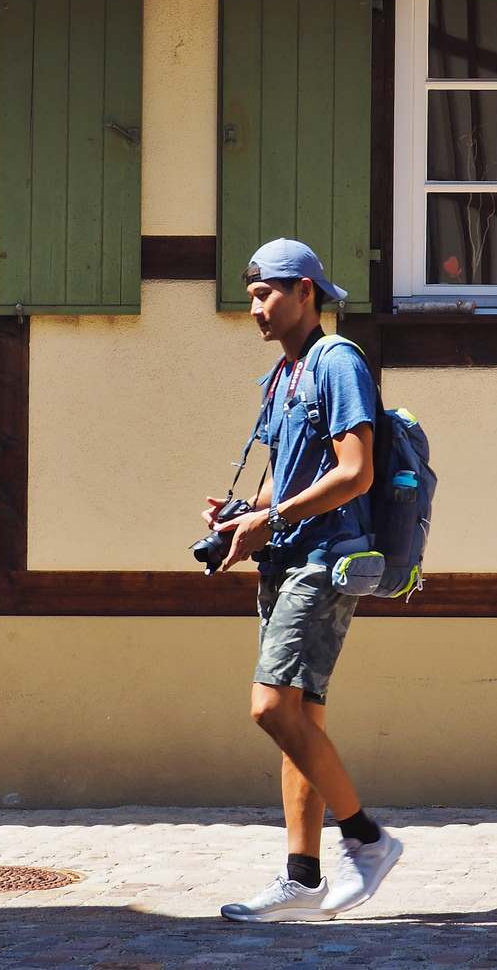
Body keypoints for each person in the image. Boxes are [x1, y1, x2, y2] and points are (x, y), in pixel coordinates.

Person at [206, 239, 403, 923]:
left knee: (269, 709)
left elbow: (357, 472)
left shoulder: (337, 361)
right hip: (287, 558)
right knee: (298, 718)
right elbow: (288, 484)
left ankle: (367, 840)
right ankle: (303, 879)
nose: (255, 306)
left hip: (324, 560)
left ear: (308, 293)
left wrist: (276, 516)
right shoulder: (284, 375)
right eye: (251, 293)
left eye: (268, 293)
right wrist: (241, 520)